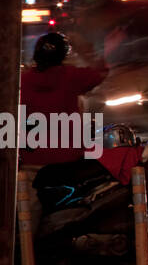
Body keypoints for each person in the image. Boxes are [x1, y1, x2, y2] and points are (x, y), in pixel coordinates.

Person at [19, 32, 108, 186]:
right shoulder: (72, 77)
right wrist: (84, 47)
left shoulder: (22, 81)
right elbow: (100, 71)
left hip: (32, 159)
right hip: (68, 161)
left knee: (30, 207)